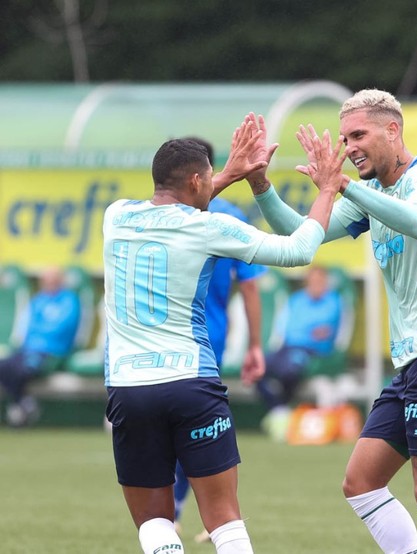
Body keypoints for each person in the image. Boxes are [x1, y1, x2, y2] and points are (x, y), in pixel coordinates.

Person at [232, 92, 417, 554]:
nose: (350, 147)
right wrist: (261, 185)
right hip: (410, 359)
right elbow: (300, 233)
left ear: (393, 131)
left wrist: (343, 186)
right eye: (345, 138)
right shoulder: (373, 195)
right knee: (361, 482)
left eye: (359, 135)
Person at [102, 118, 344, 554]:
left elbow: (176, 209)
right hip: (190, 383)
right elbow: (298, 250)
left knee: (155, 524)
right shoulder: (212, 228)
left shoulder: (115, 216)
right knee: (225, 521)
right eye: (210, 177)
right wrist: (326, 190)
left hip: (128, 387)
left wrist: (229, 171)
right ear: (197, 180)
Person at [171, 137, 269, 542]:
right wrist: (255, 346)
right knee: (204, 430)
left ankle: (177, 514)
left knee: (175, 430)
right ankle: (220, 518)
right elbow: (249, 287)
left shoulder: (164, 213)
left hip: (173, 340)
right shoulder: (231, 216)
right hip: (207, 341)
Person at [256, 265, 346, 412]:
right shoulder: (296, 300)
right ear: (307, 282)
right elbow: (285, 327)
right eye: (313, 281)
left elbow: (323, 331)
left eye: (320, 281)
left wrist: (306, 331)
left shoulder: (334, 302)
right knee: (257, 368)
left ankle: (282, 409)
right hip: (286, 346)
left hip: (312, 351)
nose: (316, 284)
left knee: (290, 370)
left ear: (325, 282)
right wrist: (308, 330)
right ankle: (278, 408)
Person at [0, 267, 81, 427]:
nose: (48, 283)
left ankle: (22, 405)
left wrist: (41, 331)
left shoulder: (70, 300)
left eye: (52, 279)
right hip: (28, 350)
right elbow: (29, 327)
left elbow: (64, 328)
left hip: (53, 352)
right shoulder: (38, 300)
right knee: (4, 366)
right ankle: (24, 402)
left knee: (23, 370)